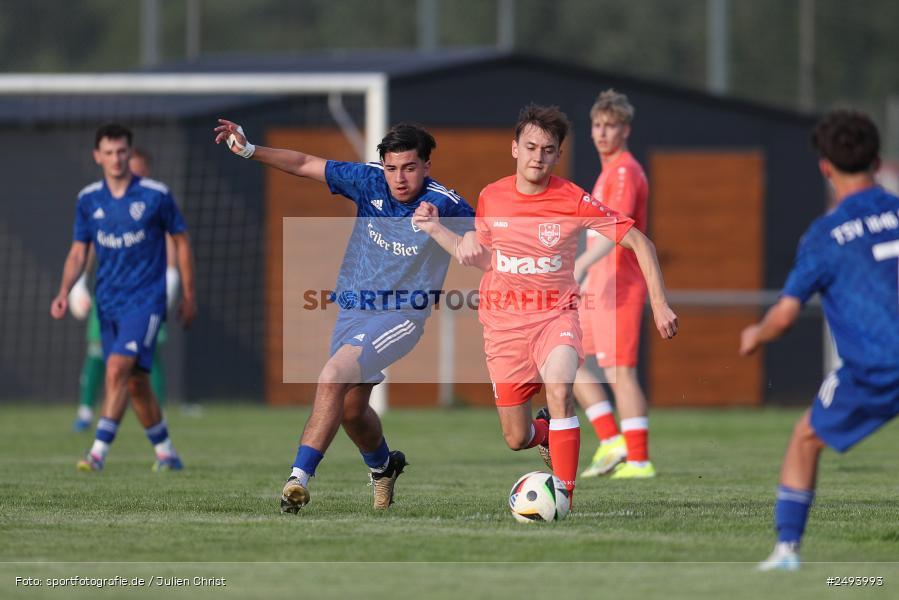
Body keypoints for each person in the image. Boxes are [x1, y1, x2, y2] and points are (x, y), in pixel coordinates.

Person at [413, 105, 677, 500]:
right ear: (515, 148)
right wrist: (436, 229)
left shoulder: (572, 199)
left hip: (556, 317)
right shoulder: (492, 196)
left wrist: (660, 304)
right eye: (532, 147)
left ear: (557, 154)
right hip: (503, 327)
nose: (539, 156)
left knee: (560, 389)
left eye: (548, 149)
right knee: (516, 437)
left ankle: (564, 496)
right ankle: (548, 434)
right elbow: (486, 259)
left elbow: (640, 241)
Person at [213, 119, 475, 512]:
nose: (399, 178)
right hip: (353, 310)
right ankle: (384, 467)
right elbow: (304, 163)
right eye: (391, 168)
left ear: (426, 166)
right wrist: (251, 151)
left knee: (331, 376)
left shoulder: (449, 205)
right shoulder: (367, 181)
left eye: (409, 167)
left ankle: (297, 480)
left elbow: (481, 253)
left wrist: (438, 230)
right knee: (352, 411)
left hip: (402, 317)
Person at [741, 110, 899, 571]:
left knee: (806, 438)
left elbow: (785, 317)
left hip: (875, 368)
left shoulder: (825, 235)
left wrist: (756, 333)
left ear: (825, 167)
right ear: (877, 159)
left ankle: (787, 553)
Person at [51, 124, 197, 472]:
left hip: (146, 301)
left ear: (130, 154)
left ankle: (97, 453)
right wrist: (64, 289)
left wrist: (188, 293)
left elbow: (181, 241)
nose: (116, 159)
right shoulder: (88, 200)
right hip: (109, 303)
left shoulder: (155, 195)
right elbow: (77, 252)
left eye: (122, 152)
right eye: (110, 152)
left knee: (116, 368)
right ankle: (166, 452)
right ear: (97, 156)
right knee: (135, 382)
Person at [572, 90, 654, 479]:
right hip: (597, 287)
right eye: (598, 125)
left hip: (619, 285)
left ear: (626, 130)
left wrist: (582, 264)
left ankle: (638, 460)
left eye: (611, 126)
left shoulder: (624, 172)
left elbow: (617, 229)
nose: (603, 133)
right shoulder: (607, 173)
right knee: (566, 360)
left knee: (622, 371)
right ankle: (611, 440)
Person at [71, 148, 180, 431]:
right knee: (98, 351)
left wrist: (171, 281)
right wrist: (80, 283)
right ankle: (85, 413)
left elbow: (173, 243)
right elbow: (89, 246)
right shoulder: (104, 205)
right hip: (111, 295)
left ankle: (156, 416)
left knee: (148, 354)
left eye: (140, 170)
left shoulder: (156, 203)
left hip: (147, 296)